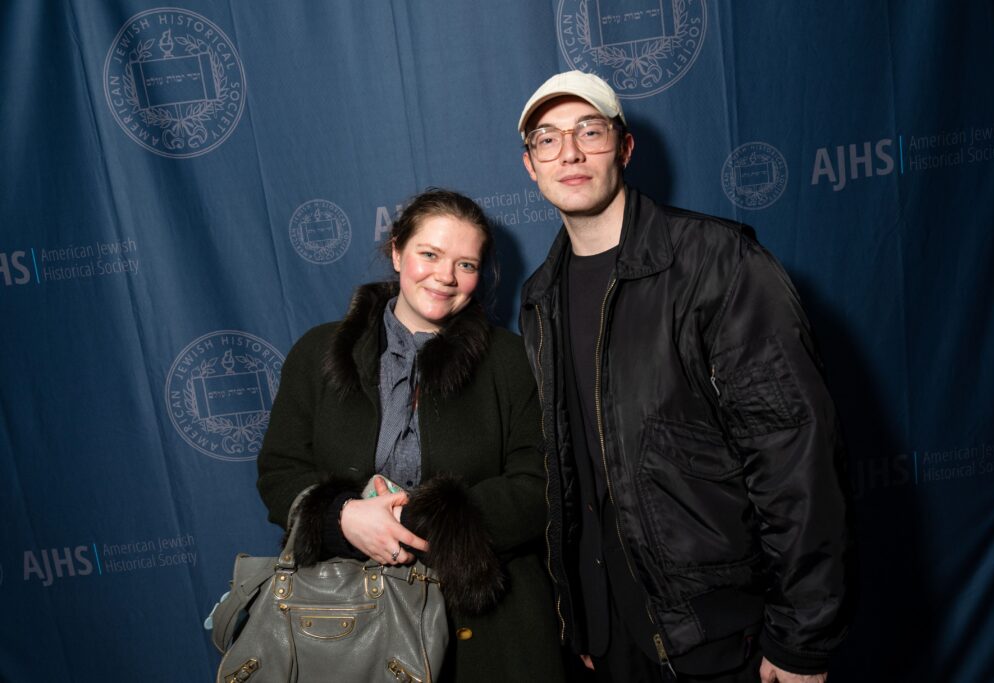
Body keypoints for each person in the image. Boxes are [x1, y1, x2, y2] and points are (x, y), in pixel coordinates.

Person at [516, 71, 851, 683]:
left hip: (722, 633)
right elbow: (569, 472)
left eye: (588, 131)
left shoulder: (716, 262)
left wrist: (803, 635)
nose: (568, 151)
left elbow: (793, 450)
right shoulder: (539, 298)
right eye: (547, 138)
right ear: (530, 165)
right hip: (610, 637)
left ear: (624, 147)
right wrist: (583, 618)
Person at [257, 188, 565, 682]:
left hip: (491, 632)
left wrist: (422, 519)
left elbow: (540, 482)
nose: (445, 277)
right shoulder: (318, 352)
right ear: (397, 251)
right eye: (430, 254)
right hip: (346, 624)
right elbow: (280, 471)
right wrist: (343, 516)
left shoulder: (510, 360)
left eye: (466, 264)